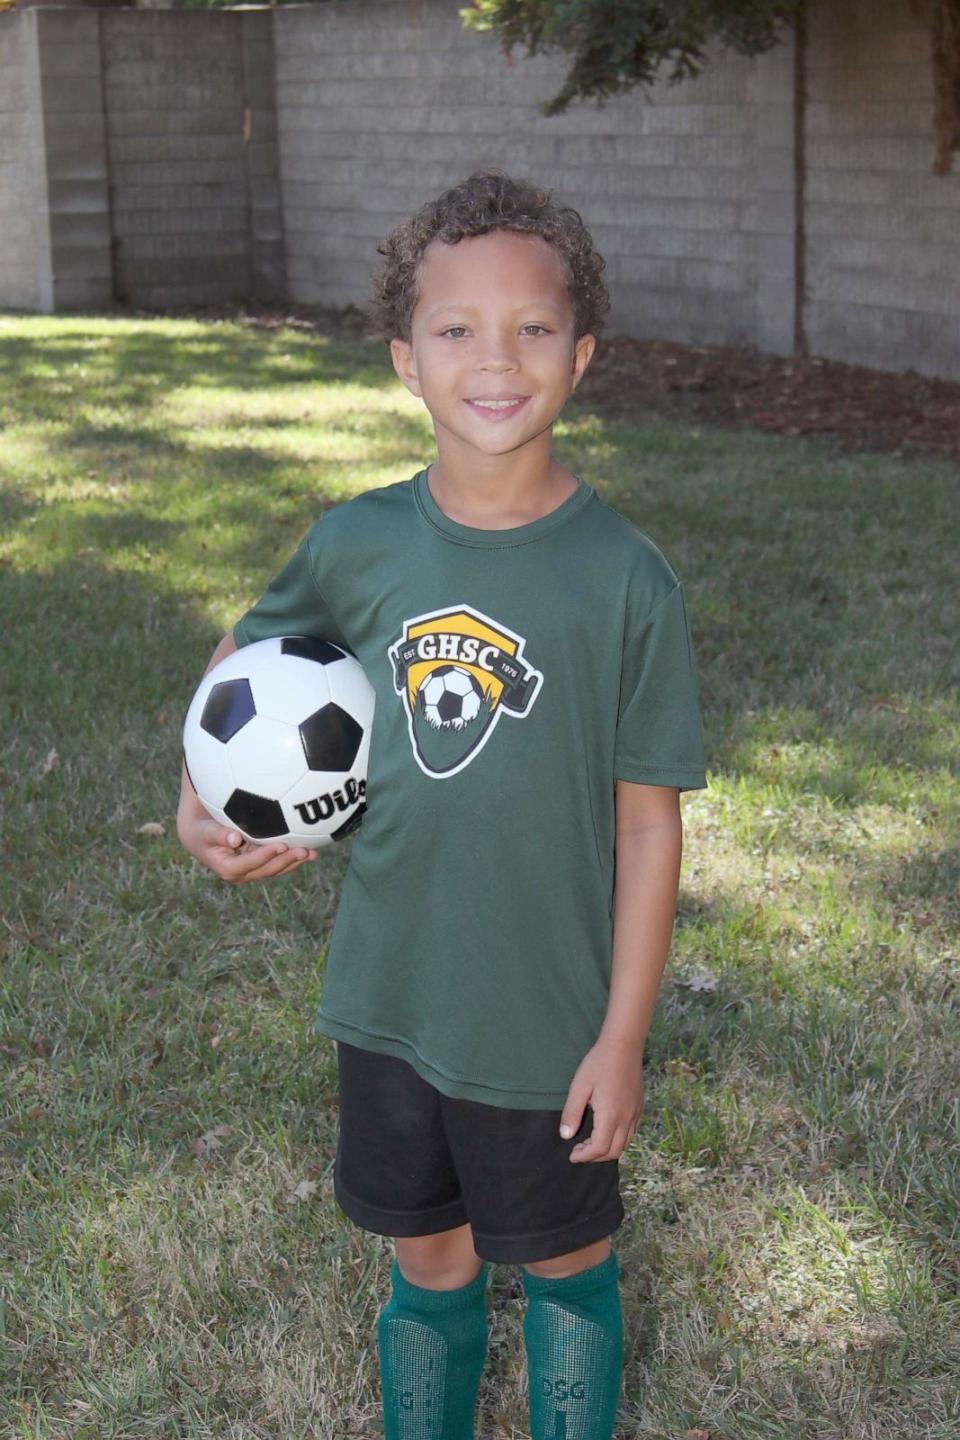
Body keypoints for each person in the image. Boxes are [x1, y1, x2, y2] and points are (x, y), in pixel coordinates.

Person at [177, 169, 708, 1440]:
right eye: (457, 328)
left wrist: (623, 1036)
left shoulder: (626, 581)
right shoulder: (358, 543)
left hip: (546, 1015)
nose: (496, 358)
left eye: (532, 328)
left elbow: (648, 823)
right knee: (429, 1259)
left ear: (581, 355)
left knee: (568, 1266)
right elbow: (247, 665)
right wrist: (198, 795)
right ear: (404, 360)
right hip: (392, 996)